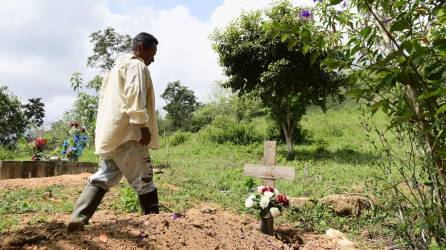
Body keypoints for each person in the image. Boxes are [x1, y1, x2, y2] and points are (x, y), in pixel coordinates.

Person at [67, 32, 160, 232]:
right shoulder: (136, 65)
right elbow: (135, 97)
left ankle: (78, 217)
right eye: (152, 54)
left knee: (104, 176)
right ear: (141, 48)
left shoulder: (116, 68)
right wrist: (143, 127)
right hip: (130, 134)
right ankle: (157, 225)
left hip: (111, 135)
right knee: (145, 179)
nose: (153, 59)